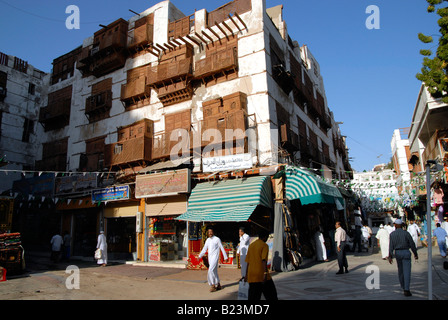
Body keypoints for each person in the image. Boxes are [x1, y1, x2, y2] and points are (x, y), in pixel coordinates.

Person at [244, 229, 278, 300]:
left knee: (253, 297)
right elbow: (264, 260)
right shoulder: (264, 245)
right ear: (265, 237)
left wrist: (246, 274)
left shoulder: (251, 245)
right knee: (272, 295)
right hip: (261, 275)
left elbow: (248, 261)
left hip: (252, 275)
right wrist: (265, 273)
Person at [388, 219, 418, 297]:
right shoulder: (406, 233)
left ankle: (403, 286)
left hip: (397, 253)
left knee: (400, 271)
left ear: (395, 225)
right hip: (406, 252)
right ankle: (407, 289)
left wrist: (390, 256)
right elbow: (412, 244)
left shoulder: (392, 234)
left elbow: (391, 246)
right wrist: (415, 253)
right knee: (407, 271)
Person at [199, 227, 228, 292]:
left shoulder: (217, 239)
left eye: (211, 232)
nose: (210, 233)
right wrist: (200, 256)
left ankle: (213, 285)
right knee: (214, 272)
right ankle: (218, 284)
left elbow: (221, 248)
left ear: (213, 232)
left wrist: (225, 257)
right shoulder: (207, 240)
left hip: (215, 257)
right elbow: (204, 249)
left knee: (210, 270)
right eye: (209, 232)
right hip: (210, 258)